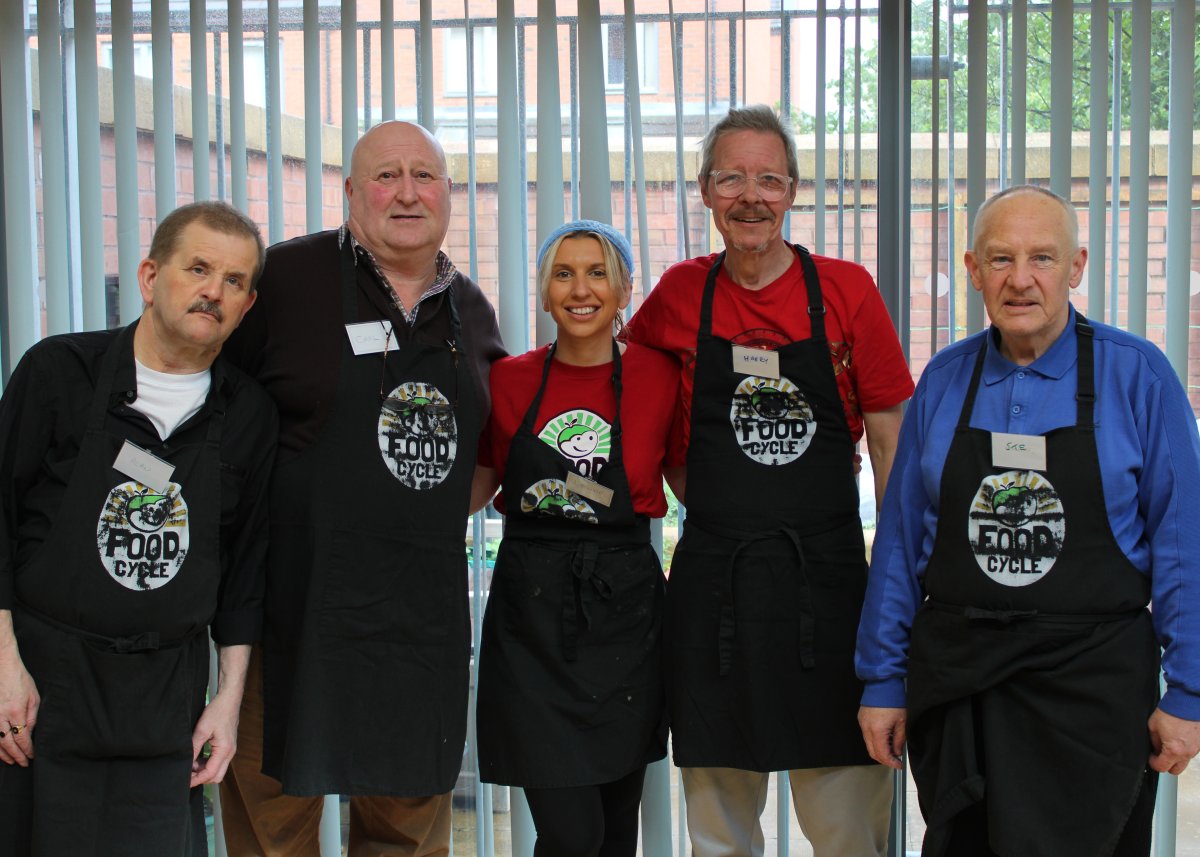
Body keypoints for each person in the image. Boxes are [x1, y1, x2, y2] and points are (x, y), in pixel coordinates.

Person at [856, 185, 1200, 856]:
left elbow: (1185, 545)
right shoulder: (945, 381)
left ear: (1076, 267)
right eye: (1001, 258)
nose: (1020, 279)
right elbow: (900, 546)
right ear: (973, 268)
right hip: (963, 690)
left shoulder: (1139, 377)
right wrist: (883, 678)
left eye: (1042, 257)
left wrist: (1189, 690)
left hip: (1093, 695)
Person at [623, 104, 913, 857]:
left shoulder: (847, 292)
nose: (751, 196)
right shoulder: (677, 297)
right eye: (731, 178)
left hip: (831, 588)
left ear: (793, 191)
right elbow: (644, 426)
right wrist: (726, 509)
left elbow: (892, 443)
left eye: (769, 179)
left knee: (850, 830)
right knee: (719, 833)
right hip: (716, 588)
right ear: (705, 189)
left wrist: (898, 581)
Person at [218, 120, 505, 857]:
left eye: (425, 175)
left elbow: (487, 456)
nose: (407, 192)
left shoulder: (471, 314)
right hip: (285, 610)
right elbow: (211, 415)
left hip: (417, 622)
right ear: (350, 192)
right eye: (385, 175)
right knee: (274, 827)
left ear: (449, 194)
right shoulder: (283, 281)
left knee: (407, 833)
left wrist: (409, 504)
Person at [0, 201, 277, 856]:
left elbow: (244, 574)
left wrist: (228, 700)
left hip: (165, 706)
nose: (214, 290)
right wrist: (4, 664)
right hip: (42, 692)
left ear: (248, 304)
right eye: (199, 268)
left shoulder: (248, 416)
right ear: (151, 277)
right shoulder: (59, 373)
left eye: (234, 281)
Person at [472, 221, 681, 857]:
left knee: (616, 833)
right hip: (531, 618)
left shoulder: (661, 376)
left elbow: (693, 476)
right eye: (564, 273)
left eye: (597, 273)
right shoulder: (508, 379)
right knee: (572, 835)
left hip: (626, 611)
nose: (580, 288)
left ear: (624, 292)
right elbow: (476, 484)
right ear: (543, 291)